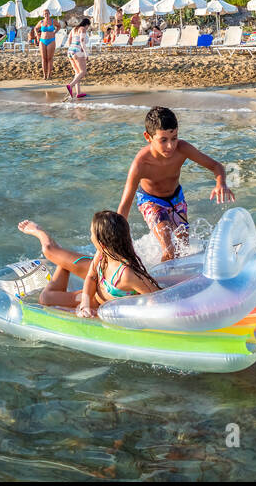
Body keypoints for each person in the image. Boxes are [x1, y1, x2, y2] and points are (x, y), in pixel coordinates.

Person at [116, 106, 234, 262]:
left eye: (174, 138)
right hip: (151, 201)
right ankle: (161, 284)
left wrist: (221, 183)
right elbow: (125, 205)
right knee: (169, 249)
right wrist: (116, 237)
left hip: (176, 199)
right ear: (148, 137)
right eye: (163, 140)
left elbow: (216, 166)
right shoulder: (140, 164)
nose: (170, 146)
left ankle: (182, 278)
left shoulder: (182, 149)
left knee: (184, 247)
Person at [16, 212, 160, 317]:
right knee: (48, 250)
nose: (90, 236)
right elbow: (91, 277)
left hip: (98, 301)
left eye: (91, 234)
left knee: (45, 299)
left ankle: (64, 262)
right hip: (95, 291)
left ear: (102, 244)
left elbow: (157, 297)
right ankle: (40, 232)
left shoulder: (127, 274)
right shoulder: (101, 254)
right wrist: (84, 304)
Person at [66, 17, 91, 101]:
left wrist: (71, 48)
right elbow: (82, 41)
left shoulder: (74, 29)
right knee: (83, 72)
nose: (87, 28)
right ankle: (71, 85)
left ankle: (78, 93)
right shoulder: (83, 29)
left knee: (77, 72)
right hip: (77, 51)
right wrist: (86, 53)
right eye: (88, 26)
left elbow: (69, 39)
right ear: (87, 25)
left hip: (70, 51)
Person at [34, 9, 58, 80]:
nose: (46, 15)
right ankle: (44, 75)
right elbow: (35, 28)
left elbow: (59, 26)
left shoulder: (53, 21)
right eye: (45, 14)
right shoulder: (41, 22)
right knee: (44, 58)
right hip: (42, 41)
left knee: (49, 58)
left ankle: (49, 75)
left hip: (51, 40)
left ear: (49, 14)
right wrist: (37, 35)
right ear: (43, 15)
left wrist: (55, 32)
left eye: (47, 13)